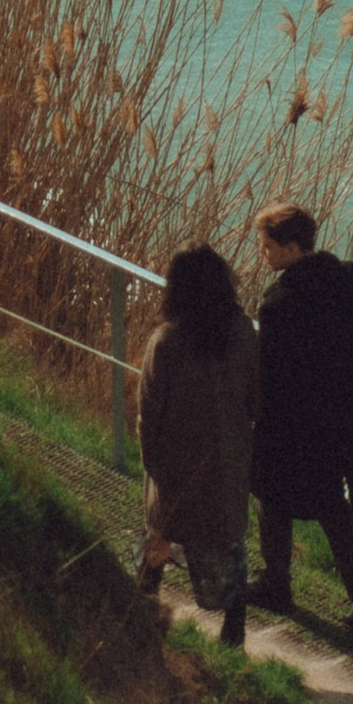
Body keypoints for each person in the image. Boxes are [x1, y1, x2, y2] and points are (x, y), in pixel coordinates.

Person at [249, 205, 353, 635]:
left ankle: (277, 583)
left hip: (294, 420)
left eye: (268, 247)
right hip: (342, 412)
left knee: (271, 495)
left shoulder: (278, 304)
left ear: (291, 249)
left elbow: (271, 373)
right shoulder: (352, 279)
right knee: (334, 508)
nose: (262, 254)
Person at [135, 243, 260, 649]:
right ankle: (233, 626)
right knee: (224, 544)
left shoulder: (165, 342)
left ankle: (142, 605)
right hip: (225, 461)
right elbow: (257, 398)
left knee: (160, 531)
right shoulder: (243, 333)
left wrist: (149, 459)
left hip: (174, 461)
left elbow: (149, 410)